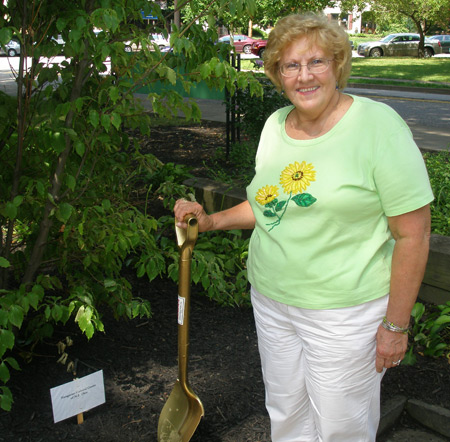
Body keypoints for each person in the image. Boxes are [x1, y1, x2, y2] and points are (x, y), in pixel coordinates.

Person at [174, 12, 433, 442]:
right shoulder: (276, 127)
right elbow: (269, 206)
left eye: (316, 62)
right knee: (286, 413)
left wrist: (396, 326)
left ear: (338, 65)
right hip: (272, 302)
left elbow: (414, 235)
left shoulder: (378, 127)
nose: (304, 75)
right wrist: (212, 220)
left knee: (341, 428)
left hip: (344, 315)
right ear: (277, 74)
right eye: (290, 65)